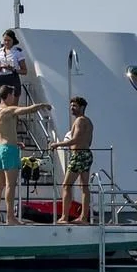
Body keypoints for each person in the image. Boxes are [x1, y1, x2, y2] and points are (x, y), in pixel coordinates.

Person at [0, 84, 51, 225]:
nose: (15, 98)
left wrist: (15, 142)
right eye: (13, 95)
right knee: (10, 185)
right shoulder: (9, 109)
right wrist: (42, 105)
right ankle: (10, 218)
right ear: (8, 95)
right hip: (8, 149)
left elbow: (2, 130)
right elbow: (27, 109)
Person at [50, 96, 96, 224]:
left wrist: (57, 144)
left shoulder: (80, 121)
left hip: (79, 155)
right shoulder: (89, 122)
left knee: (66, 185)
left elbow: (75, 139)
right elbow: (89, 142)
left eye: (74, 106)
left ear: (82, 107)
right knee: (84, 186)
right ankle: (83, 218)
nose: (72, 108)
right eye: (71, 106)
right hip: (86, 154)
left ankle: (64, 217)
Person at [0, 29, 30, 97]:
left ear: (13, 40)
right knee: (2, 102)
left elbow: (24, 71)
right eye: (5, 40)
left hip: (13, 78)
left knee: (13, 101)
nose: (6, 42)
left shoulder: (17, 52)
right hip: (1, 79)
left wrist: (13, 69)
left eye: (9, 40)